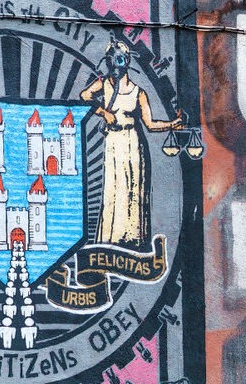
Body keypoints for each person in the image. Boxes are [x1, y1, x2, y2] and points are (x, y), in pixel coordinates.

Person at [78, 39, 181, 249]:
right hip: (113, 141)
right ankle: (110, 240)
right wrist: (104, 113)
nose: (115, 67)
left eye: (119, 60)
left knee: (132, 188)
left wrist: (171, 124)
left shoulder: (138, 92)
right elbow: (84, 95)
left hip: (132, 141)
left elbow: (150, 124)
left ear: (125, 62)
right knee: (113, 189)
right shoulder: (105, 84)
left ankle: (132, 239)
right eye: (111, 61)